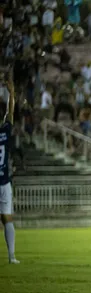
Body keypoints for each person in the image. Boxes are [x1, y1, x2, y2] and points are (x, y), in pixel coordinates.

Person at [1, 74, 19, 264]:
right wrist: (11, 93)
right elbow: (10, 113)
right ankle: (12, 256)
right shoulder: (5, 133)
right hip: (4, 181)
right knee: (7, 218)